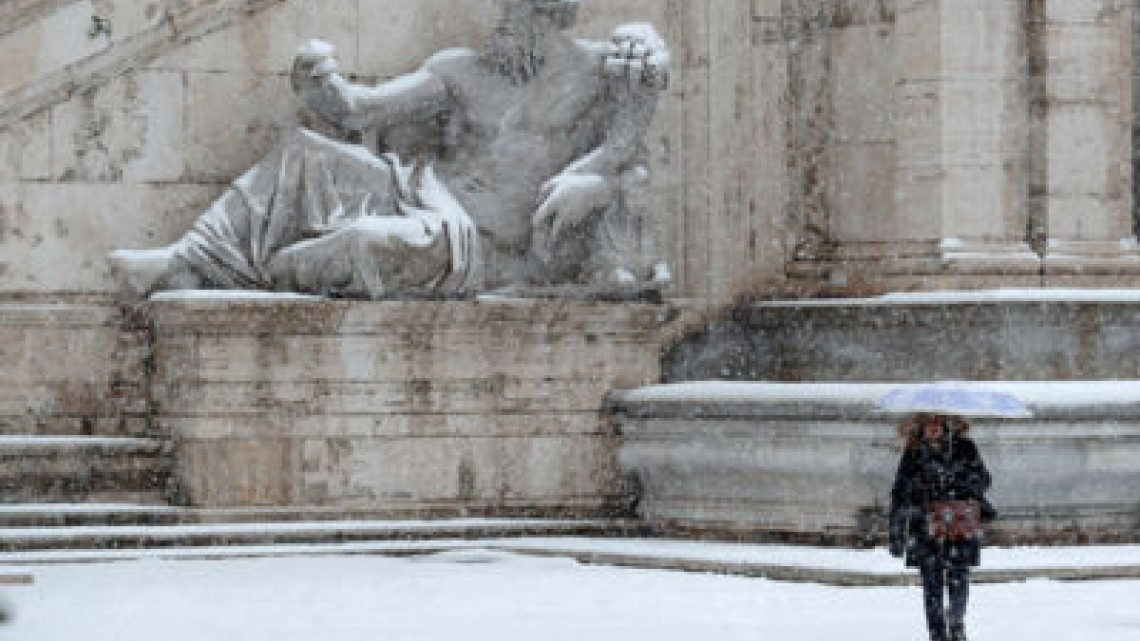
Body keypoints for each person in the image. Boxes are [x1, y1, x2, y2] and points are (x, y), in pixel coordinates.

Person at [109, 0, 671, 299]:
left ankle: (271, 271)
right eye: (513, 12)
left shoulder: (601, 70)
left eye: (533, 14)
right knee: (306, 151)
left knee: (366, 242)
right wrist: (320, 85)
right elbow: (360, 110)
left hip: (478, 247)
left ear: (560, 13)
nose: (517, 28)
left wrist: (598, 179)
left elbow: (632, 152)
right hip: (425, 196)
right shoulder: (461, 69)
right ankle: (189, 262)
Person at [889, 413, 994, 641]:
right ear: (921, 424)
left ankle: (956, 626)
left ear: (947, 423)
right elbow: (899, 492)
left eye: (938, 421)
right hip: (925, 528)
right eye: (928, 421)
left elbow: (984, 480)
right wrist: (896, 533)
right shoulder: (914, 450)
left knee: (959, 580)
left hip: (958, 524)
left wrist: (955, 478)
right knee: (931, 586)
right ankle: (936, 634)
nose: (933, 426)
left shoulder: (964, 447)